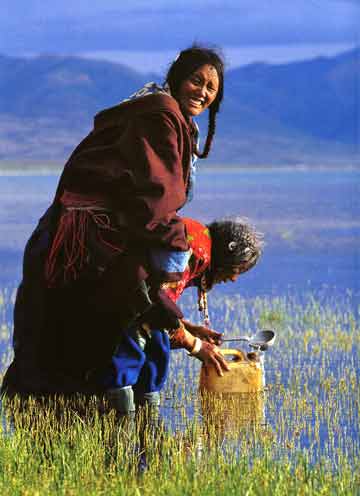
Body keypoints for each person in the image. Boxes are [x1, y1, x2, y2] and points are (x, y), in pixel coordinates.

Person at [1, 45, 226, 400]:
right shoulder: (161, 116)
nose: (202, 92)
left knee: (67, 343)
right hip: (92, 243)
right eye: (196, 81)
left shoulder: (159, 115)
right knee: (118, 329)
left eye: (211, 88)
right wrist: (176, 250)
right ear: (178, 78)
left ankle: (114, 436)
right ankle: (122, 433)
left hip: (79, 238)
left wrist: (180, 323)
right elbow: (156, 202)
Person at [103, 216, 263, 414]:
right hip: (127, 299)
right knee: (140, 348)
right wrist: (196, 346)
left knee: (157, 348)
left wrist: (190, 330)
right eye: (236, 269)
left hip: (135, 297)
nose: (234, 278)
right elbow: (157, 308)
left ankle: (146, 423)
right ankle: (122, 422)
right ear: (226, 257)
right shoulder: (194, 250)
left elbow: (159, 303)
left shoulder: (198, 239)